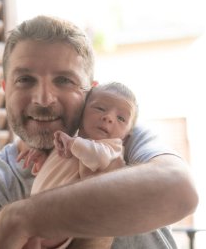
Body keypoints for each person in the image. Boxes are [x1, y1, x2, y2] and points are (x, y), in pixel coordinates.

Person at [0, 15, 198, 249]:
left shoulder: (121, 136)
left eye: (63, 80)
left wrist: (17, 219)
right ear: (5, 89)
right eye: (25, 80)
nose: (43, 99)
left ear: (90, 92)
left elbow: (182, 191)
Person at [17, 82, 139, 249]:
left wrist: (72, 143)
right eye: (100, 109)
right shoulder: (70, 140)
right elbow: (58, 172)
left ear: (126, 135)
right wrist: (42, 161)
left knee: (31, 240)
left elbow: (98, 158)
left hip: (61, 222)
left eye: (121, 118)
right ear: (82, 112)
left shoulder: (111, 148)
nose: (109, 117)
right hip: (37, 209)